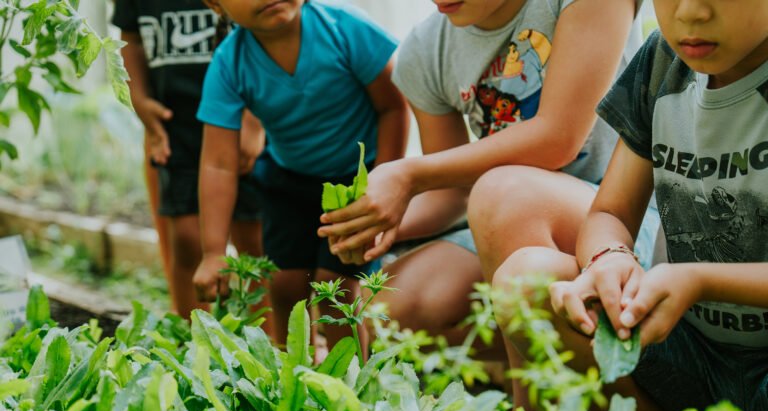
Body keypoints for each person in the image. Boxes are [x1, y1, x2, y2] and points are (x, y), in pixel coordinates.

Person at [317, 0, 655, 358]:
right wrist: (377, 223)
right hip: (507, 221)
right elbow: (454, 194)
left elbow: (558, 139)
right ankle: (561, 361)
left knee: (505, 193)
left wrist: (409, 174)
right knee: (393, 310)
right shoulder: (427, 50)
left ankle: (534, 407)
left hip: (618, 222)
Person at [520, 0, 768, 411]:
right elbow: (609, 211)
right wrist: (610, 258)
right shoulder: (662, 63)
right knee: (528, 282)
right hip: (686, 352)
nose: (690, 12)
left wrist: (699, 280)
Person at [193, 0, 408, 355]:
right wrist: (213, 252)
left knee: (333, 287)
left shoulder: (344, 27)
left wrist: (382, 183)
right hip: (288, 181)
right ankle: (293, 381)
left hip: (355, 182)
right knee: (285, 286)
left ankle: (352, 388)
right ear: (215, 5)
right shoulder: (229, 63)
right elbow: (218, 163)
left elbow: (393, 106)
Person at [113, 0, 267, 320]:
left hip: (242, 128)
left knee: (256, 242)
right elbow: (131, 39)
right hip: (177, 129)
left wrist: (256, 120)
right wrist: (140, 99)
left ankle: (273, 345)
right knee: (186, 240)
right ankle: (191, 338)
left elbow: (276, 29)